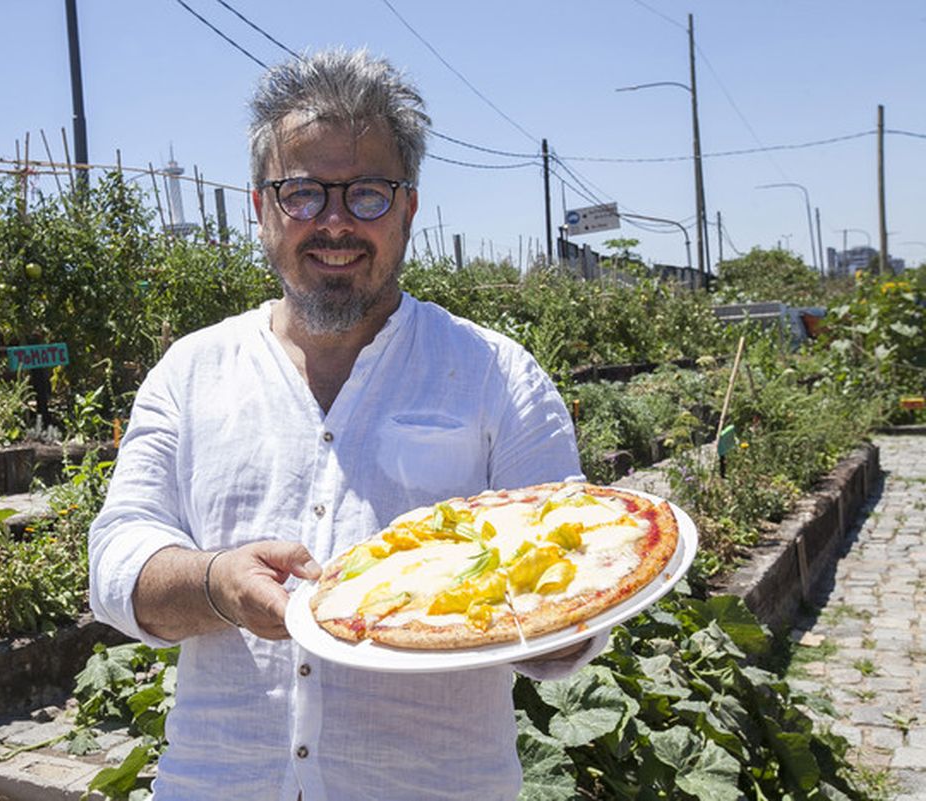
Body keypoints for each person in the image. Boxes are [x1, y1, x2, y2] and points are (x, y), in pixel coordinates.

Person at [89, 47, 607, 801]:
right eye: (302, 193)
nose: (334, 223)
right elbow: (117, 562)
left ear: (409, 209)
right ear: (261, 208)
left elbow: (577, 585)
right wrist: (215, 583)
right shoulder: (193, 371)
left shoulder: (498, 377)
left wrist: (552, 609)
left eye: (366, 193)